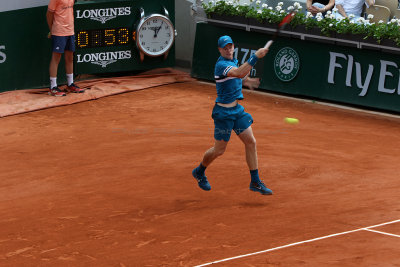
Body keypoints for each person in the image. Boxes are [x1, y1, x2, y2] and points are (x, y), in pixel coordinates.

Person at [191, 35, 273, 195]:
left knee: (251, 142)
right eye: (225, 48)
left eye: (230, 47)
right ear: (219, 50)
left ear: (233, 46)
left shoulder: (232, 62)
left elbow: (239, 76)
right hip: (223, 114)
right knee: (219, 150)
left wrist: (247, 81)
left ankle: (255, 181)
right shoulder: (221, 65)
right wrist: (255, 56)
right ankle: (199, 171)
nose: (228, 50)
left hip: (237, 111)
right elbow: (237, 73)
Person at [47, 0, 84, 96]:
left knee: (70, 58)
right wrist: (52, 30)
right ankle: (53, 87)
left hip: (70, 31)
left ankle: (70, 84)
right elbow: (49, 14)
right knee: (56, 59)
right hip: (59, 31)